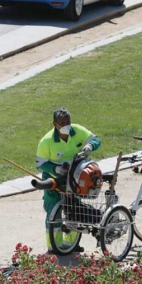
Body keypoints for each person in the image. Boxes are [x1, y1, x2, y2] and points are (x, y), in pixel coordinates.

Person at [35, 108, 101, 254]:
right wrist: (57, 169)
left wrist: (90, 146)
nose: (66, 125)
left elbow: (96, 140)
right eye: (62, 123)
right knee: (54, 212)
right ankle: (54, 246)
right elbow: (40, 164)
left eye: (68, 122)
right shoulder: (46, 141)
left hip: (74, 179)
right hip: (54, 180)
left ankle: (72, 243)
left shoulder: (77, 131)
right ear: (55, 124)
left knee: (74, 210)